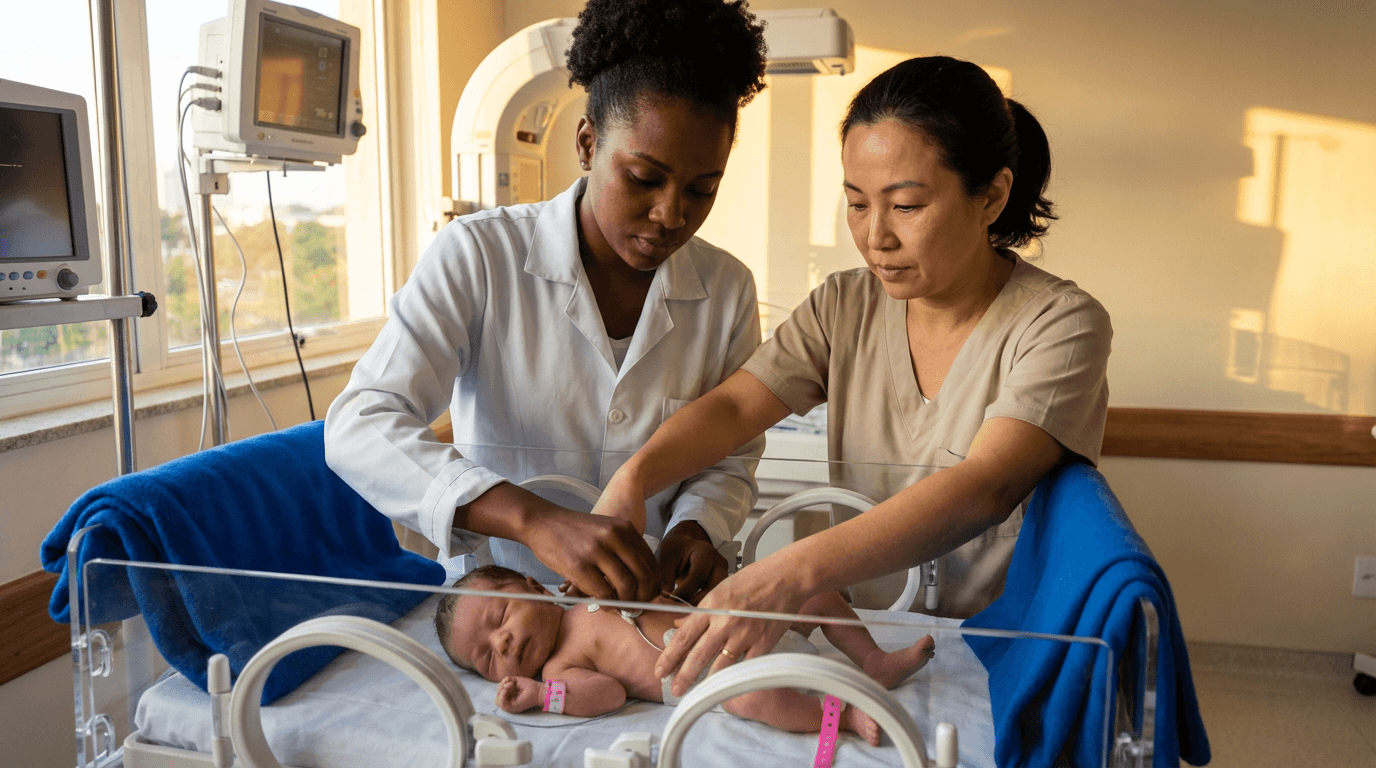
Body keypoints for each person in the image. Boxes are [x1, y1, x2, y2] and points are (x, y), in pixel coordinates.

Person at [594, 55, 1112, 697]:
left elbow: (985, 485)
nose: (875, 238)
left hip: (1001, 649)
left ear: (993, 195)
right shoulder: (844, 305)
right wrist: (635, 477)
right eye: (857, 203)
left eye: (906, 206)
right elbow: (732, 410)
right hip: (870, 633)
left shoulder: (1060, 325)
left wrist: (785, 574)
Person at [325, 0, 771, 605]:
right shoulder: (480, 256)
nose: (671, 214)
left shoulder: (726, 289)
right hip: (504, 610)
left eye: (702, 189)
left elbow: (729, 454)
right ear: (587, 143)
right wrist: (530, 519)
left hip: (647, 607)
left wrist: (697, 526)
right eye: (643, 178)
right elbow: (361, 422)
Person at [435, 565, 936, 746]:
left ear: (531, 585)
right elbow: (607, 694)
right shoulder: (556, 665)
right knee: (751, 699)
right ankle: (840, 714)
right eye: (485, 659)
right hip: (712, 675)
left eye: (500, 615)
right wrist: (545, 694)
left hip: (733, 627)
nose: (500, 643)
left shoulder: (586, 587)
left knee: (818, 597)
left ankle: (873, 661)